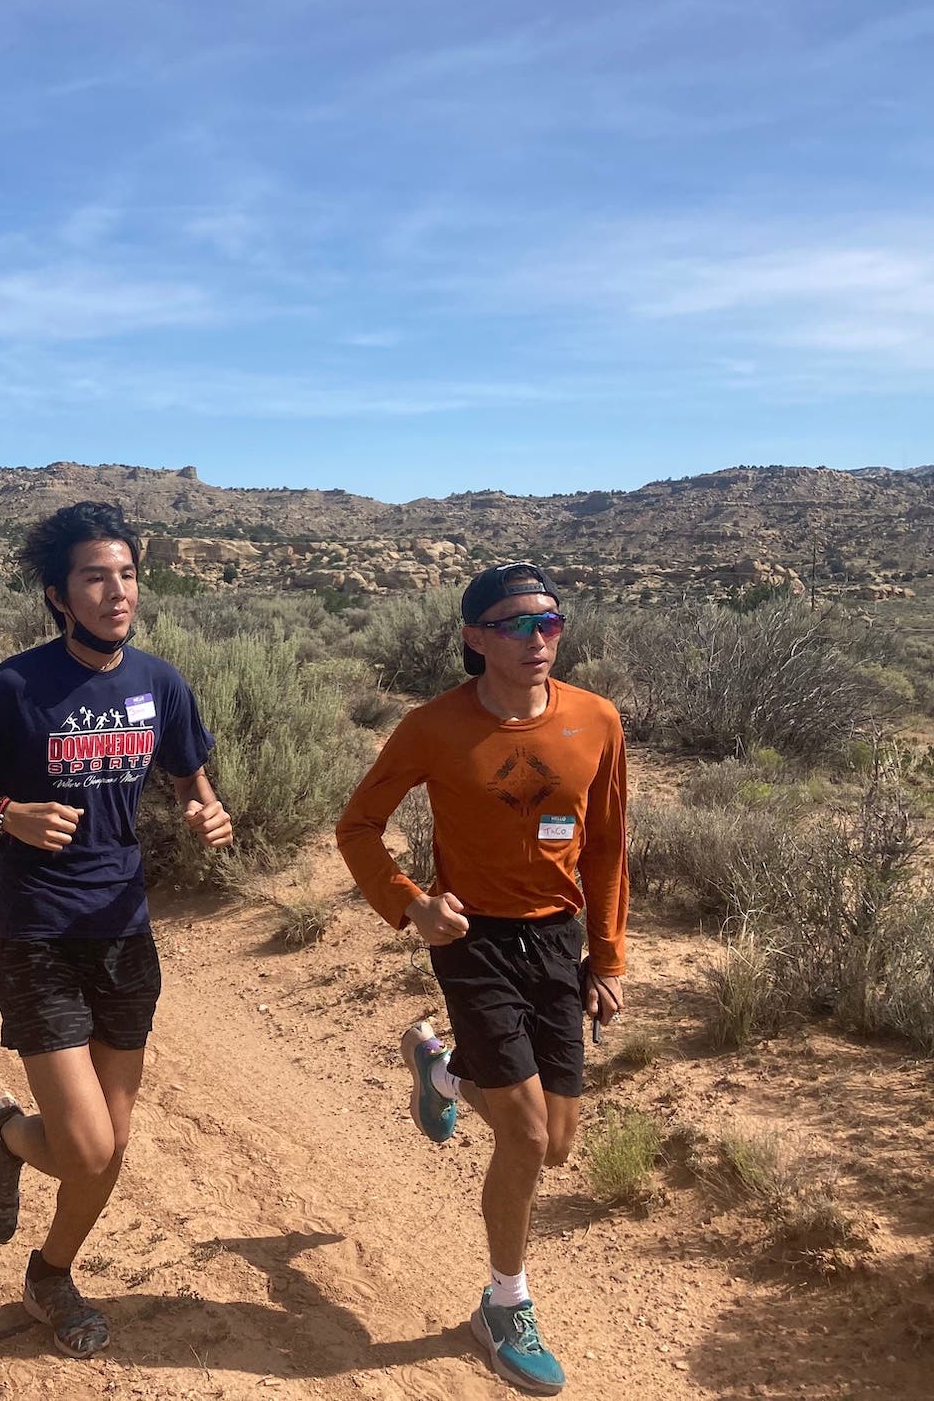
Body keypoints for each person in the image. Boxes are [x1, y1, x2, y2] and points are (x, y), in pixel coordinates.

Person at [0, 501, 233, 1361]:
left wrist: (206, 814)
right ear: (58, 594)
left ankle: (51, 1272)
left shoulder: (161, 683)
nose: (116, 591)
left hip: (125, 927)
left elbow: (194, 780)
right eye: (95, 577)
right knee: (83, 1145)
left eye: (125, 574)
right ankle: (7, 1133)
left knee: (109, 1150)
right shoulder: (17, 686)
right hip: (35, 928)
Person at [335, 562, 628, 1398]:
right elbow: (358, 826)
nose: (538, 638)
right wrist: (411, 905)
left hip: (557, 941)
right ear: (474, 638)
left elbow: (607, 846)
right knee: (528, 1138)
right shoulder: (433, 727)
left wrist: (605, 958)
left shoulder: (596, 721)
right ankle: (504, 1304)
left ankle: (444, 1069)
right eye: (515, 624)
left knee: (560, 1144)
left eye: (550, 622)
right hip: (471, 940)